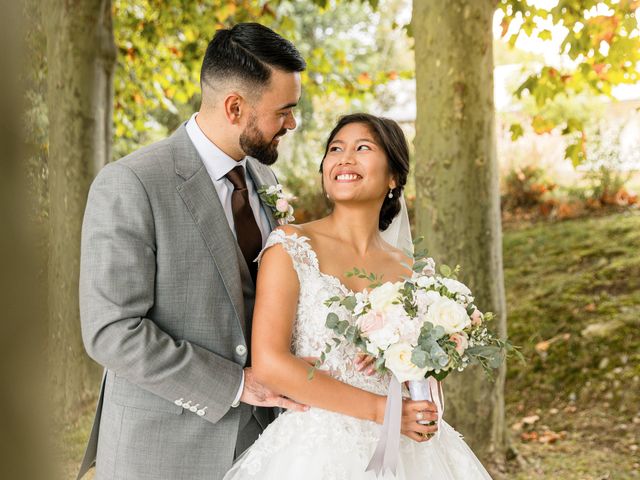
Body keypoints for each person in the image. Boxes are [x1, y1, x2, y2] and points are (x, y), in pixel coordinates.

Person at [77, 23, 309, 480]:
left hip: (268, 446)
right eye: (284, 111)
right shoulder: (132, 184)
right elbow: (111, 331)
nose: (292, 123)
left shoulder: (265, 180)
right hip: (163, 450)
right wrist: (237, 383)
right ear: (235, 106)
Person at [224, 113, 493, 479]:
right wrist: (381, 411)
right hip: (316, 451)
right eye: (335, 149)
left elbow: (430, 380)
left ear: (393, 177)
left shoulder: (416, 273)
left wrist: (419, 394)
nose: (344, 158)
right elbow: (270, 364)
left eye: (362, 147)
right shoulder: (290, 247)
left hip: (412, 455)